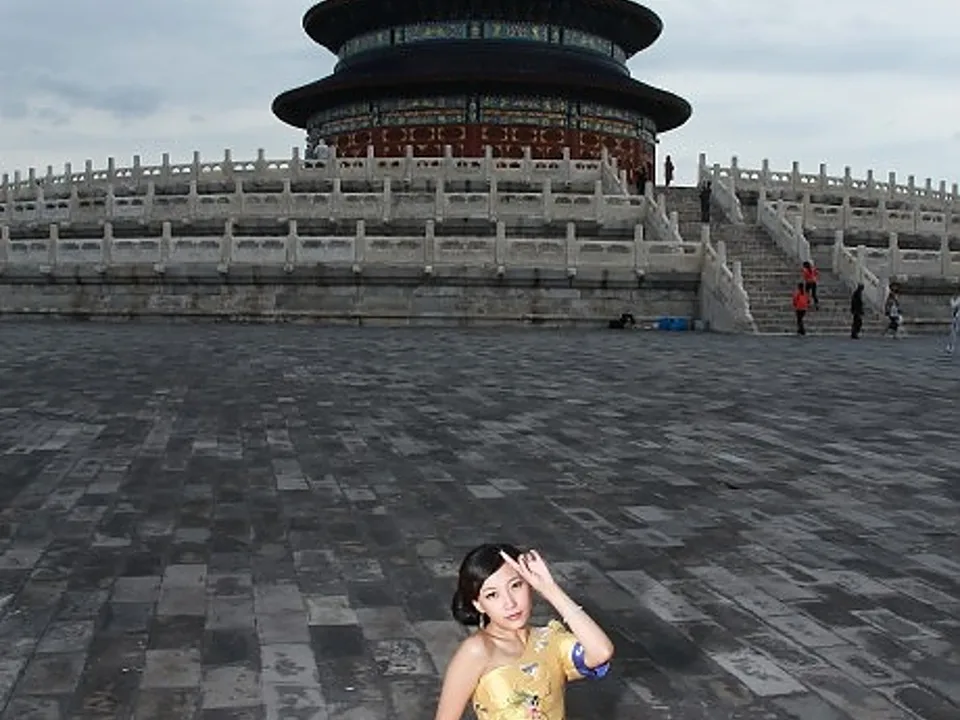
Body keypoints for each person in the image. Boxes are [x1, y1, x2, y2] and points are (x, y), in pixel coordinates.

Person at [434, 544, 614, 720]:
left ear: (529, 584)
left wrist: (550, 589)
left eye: (515, 585)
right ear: (478, 604)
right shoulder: (476, 651)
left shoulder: (550, 640)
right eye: (492, 595)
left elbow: (601, 652)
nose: (510, 603)